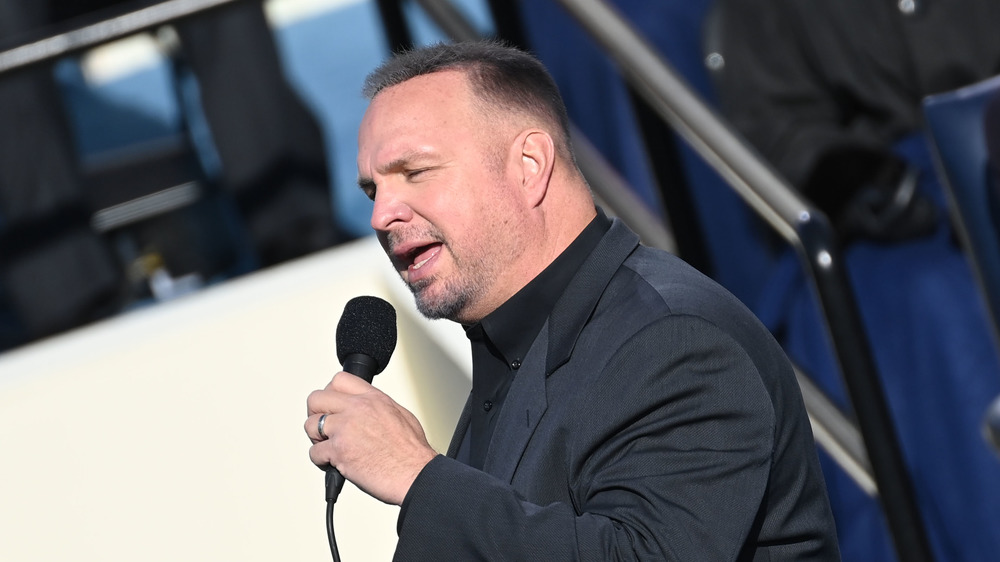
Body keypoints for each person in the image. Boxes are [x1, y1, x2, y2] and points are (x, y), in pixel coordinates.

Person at [304, 40, 839, 560]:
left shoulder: (675, 340)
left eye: (415, 173)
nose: (381, 216)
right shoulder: (513, 344)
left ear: (530, 164)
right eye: (373, 191)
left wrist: (416, 476)